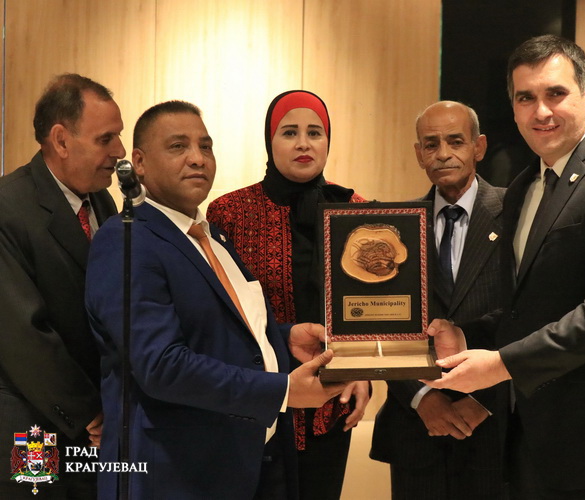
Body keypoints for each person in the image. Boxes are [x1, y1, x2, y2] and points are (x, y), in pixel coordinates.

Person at [426, 35, 585, 499]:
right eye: (526, 98)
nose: (541, 111)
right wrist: (467, 336)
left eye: (556, 93)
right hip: (535, 443)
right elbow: (525, 308)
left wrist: (500, 364)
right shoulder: (524, 186)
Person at [85, 100, 345, 499]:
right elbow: (161, 365)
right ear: (139, 162)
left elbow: (216, 330)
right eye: (178, 146)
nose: (197, 158)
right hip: (176, 474)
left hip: (248, 461)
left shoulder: (211, 236)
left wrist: (283, 337)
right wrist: (280, 391)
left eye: (205, 146)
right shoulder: (127, 238)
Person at [207, 90, 370, 500]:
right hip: (256, 404)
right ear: (270, 140)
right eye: (289, 132)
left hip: (331, 403)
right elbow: (222, 314)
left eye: (314, 132)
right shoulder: (230, 212)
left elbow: (368, 307)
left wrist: (365, 371)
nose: (303, 143)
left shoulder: (355, 209)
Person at [370, 101, 508, 499]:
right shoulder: (393, 227)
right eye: (431, 144)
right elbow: (381, 323)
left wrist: (483, 400)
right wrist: (422, 397)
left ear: (479, 147)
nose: (443, 153)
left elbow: (529, 314)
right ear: (419, 154)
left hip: (495, 427)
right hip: (416, 430)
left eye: (456, 141)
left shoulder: (516, 214)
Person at [0, 74, 125, 499]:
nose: (119, 151)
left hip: (96, 428)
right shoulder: (8, 208)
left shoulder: (102, 200)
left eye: (119, 136)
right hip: (33, 423)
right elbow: (24, 335)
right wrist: (90, 411)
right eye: (106, 139)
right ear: (61, 140)